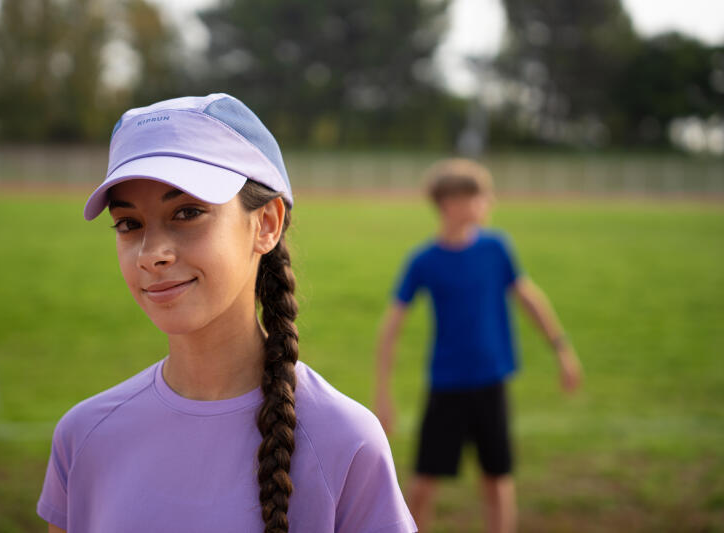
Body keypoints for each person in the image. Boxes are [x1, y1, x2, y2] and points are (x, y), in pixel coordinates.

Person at [37, 94, 417, 533]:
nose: (151, 254)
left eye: (188, 212)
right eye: (129, 223)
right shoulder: (83, 438)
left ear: (267, 224)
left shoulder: (347, 442)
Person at [374, 158, 582, 533]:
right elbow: (390, 327)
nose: (488, 203)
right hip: (446, 385)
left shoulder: (496, 248)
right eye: (479, 197)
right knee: (422, 484)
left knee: (498, 479)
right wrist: (384, 393)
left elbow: (527, 297)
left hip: (491, 382)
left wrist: (561, 349)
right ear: (450, 203)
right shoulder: (424, 260)